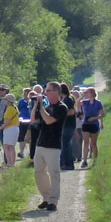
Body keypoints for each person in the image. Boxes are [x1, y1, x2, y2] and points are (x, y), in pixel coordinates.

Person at [32, 81, 68, 211]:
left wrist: (41, 105)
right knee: (39, 172)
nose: (45, 93)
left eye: (48, 91)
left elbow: (48, 120)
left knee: (54, 173)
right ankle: (46, 198)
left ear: (56, 92)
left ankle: (53, 201)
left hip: (53, 145)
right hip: (41, 144)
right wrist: (36, 104)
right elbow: (33, 120)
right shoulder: (46, 108)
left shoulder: (61, 107)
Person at [79, 87, 104, 167]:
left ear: (92, 93)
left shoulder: (98, 103)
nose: (86, 94)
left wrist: (94, 118)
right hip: (86, 124)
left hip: (94, 124)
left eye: (88, 93)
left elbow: (102, 114)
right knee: (86, 143)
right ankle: (85, 161)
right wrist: (82, 96)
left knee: (93, 143)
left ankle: (95, 160)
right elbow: (77, 103)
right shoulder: (85, 102)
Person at [59, 84, 78, 171]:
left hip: (68, 125)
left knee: (66, 144)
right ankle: (64, 162)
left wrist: (59, 115)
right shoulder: (65, 99)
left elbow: (71, 112)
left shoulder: (68, 99)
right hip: (66, 125)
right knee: (65, 144)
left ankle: (68, 163)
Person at [0, 90, 20, 167]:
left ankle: (9, 163)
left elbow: (8, 120)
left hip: (10, 128)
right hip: (15, 128)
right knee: (11, 147)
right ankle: (11, 163)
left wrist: (2, 127)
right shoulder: (14, 108)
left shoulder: (9, 108)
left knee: (6, 146)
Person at [16, 88, 33, 159]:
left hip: (31, 120)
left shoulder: (32, 101)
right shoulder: (21, 101)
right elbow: (18, 109)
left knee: (30, 137)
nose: (25, 94)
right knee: (22, 137)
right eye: (24, 92)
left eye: (26, 92)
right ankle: (21, 152)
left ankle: (30, 152)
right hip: (22, 121)